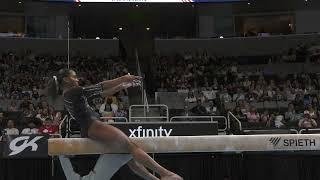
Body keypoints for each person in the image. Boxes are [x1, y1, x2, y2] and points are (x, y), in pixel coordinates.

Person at [48, 69, 183, 180]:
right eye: (74, 77)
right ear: (66, 79)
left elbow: (102, 93)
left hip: (90, 127)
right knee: (130, 146)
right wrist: (123, 78)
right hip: (93, 126)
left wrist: (122, 86)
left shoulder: (70, 94)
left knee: (127, 156)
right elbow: (100, 86)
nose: (77, 79)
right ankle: (165, 174)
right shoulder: (73, 92)